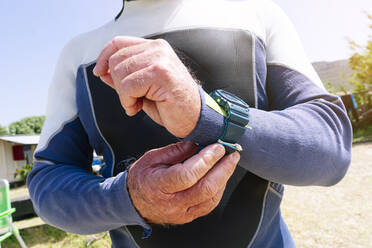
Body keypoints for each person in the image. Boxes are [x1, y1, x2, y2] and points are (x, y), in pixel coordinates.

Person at [27, 0, 352, 247]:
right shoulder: (78, 54)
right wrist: (129, 197)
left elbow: (330, 146)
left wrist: (207, 115)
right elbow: (48, 180)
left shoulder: (255, 13)